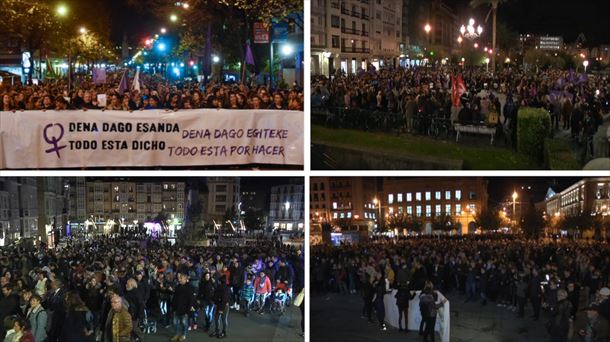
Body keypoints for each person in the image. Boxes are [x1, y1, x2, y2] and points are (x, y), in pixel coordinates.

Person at [170, 273, 194, 342]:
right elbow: (174, 298)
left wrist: (187, 311)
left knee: (184, 323)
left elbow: (191, 300)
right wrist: (173, 308)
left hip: (184, 309)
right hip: (176, 308)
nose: (179, 279)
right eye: (179, 278)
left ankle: (183, 335)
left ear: (186, 279)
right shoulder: (177, 287)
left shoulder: (189, 288)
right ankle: (177, 334)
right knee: (175, 322)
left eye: (181, 278)